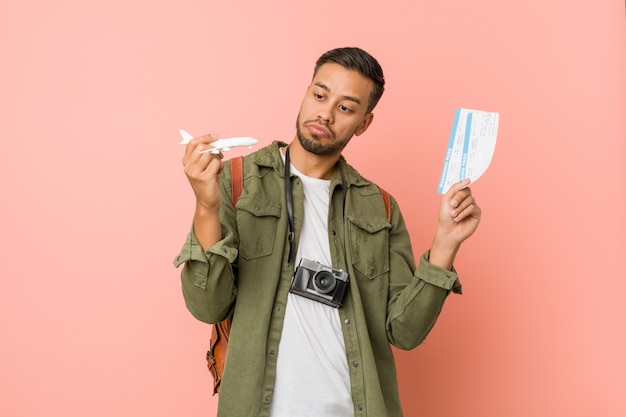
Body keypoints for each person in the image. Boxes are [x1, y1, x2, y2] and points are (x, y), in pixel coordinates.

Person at [174, 47, 481, 417]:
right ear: (306, 93)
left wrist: (446, 242)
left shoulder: (379, 207)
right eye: (319, 95)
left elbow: (405, 332)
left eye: (346, 107)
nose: (326, 113)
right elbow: (207, 306)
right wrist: (206, 207)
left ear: (364, 123)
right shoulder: (237, 182)